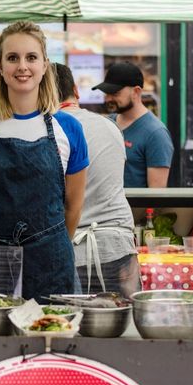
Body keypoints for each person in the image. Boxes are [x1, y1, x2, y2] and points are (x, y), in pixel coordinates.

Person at [0, 21, 88, 302]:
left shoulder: (69, 129)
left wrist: (51, 242)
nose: (22, 66)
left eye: (31, 57)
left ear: (44, 66)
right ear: (1, 68)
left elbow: (74, 207)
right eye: (12, 58)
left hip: (51, 259)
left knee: (52, 336)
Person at [53, 63, 141, 297]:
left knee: (73, 328)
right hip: (119, 246)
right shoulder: (110, 126)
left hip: (74, 250)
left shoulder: (48, 130)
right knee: (124, 326)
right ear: (75, 90)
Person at [92, 61, 174, 188]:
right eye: (106, 93)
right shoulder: (108, 124)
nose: (108, 99)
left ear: (136, 92)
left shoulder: (156, 134)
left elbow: (157, 195)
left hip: (134, 208)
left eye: (115, 93)